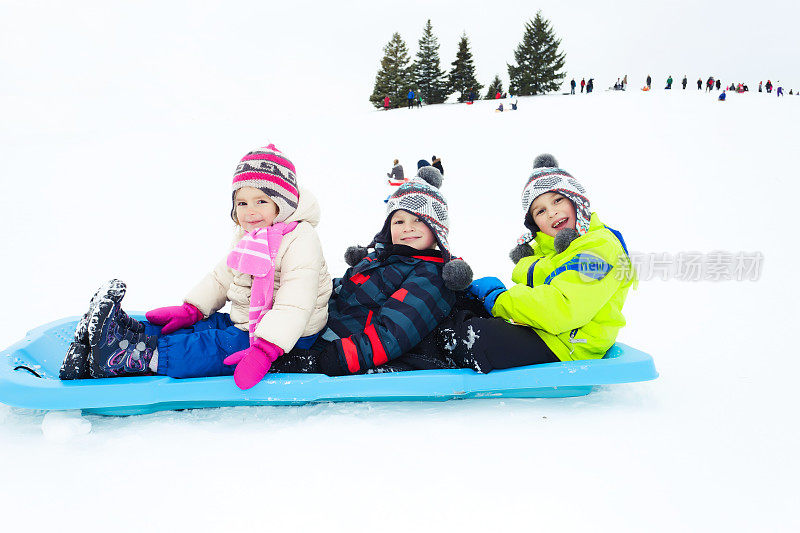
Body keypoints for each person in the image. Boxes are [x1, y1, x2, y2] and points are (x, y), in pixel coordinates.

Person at [59, 145, 333, 390]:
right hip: (249, 322)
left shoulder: (301, 239)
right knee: (203, 328)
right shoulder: (253, 234)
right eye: (242, 203)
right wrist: (194, 309)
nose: (250, 211)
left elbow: (295, 305)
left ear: (282, 204)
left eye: (261, 201)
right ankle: (123, 333)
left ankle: (127, 356)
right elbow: (224, 275)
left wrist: (265, 349)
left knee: (210, 348)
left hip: (288, 339)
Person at [438, 154, 635, 373]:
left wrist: (500, 300)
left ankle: (420, 358)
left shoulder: (600, 248)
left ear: (576, 200)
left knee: (473, 337)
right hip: (546, 332)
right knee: (465, 307)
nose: (552, 212)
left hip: (570, 347)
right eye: (540, 211)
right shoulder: (549, 253)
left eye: (557, 200)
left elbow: (563, 309)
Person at [271, 168, 473, 375]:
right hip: (315, 329)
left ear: (437, 229)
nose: (407, 228)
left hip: (341, 348)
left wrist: (332, 358)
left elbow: (394, 332)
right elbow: (341, 290)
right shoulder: (378, 258)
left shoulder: (431, 275)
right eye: (399, 221)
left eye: (419, 220)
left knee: (267, 361)